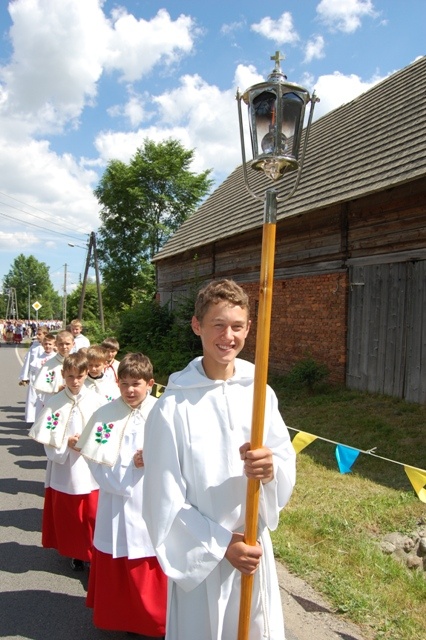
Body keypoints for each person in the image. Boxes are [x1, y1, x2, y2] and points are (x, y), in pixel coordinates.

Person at [142, 279, 296, 640]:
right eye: (218, 325)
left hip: (253, 551)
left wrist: (271, 468)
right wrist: (223, 544)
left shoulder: (259, 391)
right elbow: (162, 500)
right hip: (204, 558)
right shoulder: (172, 408)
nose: (229, 336)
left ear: (248, 329)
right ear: (197, 326)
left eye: (238, 326)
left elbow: (284, 457)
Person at [77, 353, 167, 637]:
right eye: (124, 383)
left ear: (150, 384)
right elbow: (93, 457)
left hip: (153, 499)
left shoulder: (163, 412)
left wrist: (153, 458)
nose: (130, 390)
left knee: (151, 559)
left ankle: (157, 620)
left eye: (136, 384)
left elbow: (181, 455)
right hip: (115, 500)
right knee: (120, 557)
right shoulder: (105, 415)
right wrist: (128, 468)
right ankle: (126, 618)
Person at [28, 351, 107, 570]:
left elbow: (105, 431)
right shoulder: (55, 402)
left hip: (89, 467)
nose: (75, 381)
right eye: (70, 377)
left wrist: (87, 442)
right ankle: (77, 553)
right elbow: (47, 435)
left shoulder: (97, 400)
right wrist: (65, 443)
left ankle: (94, 551)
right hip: (66, 467)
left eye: (79, 376)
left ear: (86, 374)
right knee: (71, 515)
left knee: (91, 513)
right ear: (63, 375)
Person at [33, 330, 75, 416]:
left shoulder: (77, 362)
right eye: (61, 344)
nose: (64, 347)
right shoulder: (49, 365)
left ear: (73, 344)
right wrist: (56, 388)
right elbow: (41, 389)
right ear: (56, 344)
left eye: (67, 344)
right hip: (55, 401)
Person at [19, 330, 55, 422]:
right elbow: (30, 365)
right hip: (37, 382)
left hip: (51, 384)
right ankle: (35, 421)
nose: (47, 346)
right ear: (43, 345)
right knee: (36, 402)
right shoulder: (37, 356)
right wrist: (25, 377)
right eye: (46, 344)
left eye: (50, 344)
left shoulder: (56, 357)